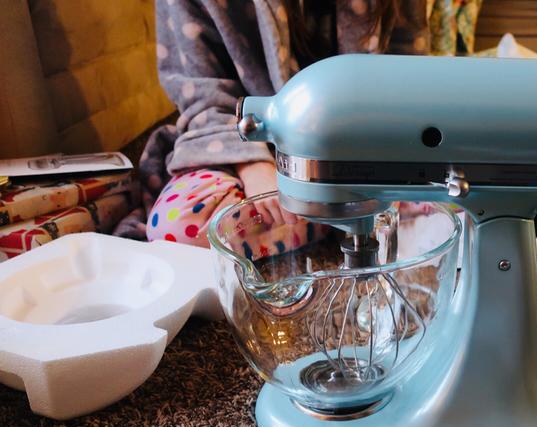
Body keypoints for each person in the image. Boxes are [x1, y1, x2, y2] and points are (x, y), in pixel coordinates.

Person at [116, 0, 435, 251]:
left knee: (464, 202)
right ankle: (339, 213)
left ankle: (325, 211)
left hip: (367, 149)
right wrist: (253, 166)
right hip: (246, 153)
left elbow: (409, 75)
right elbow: (203, 92)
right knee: (177, 227)